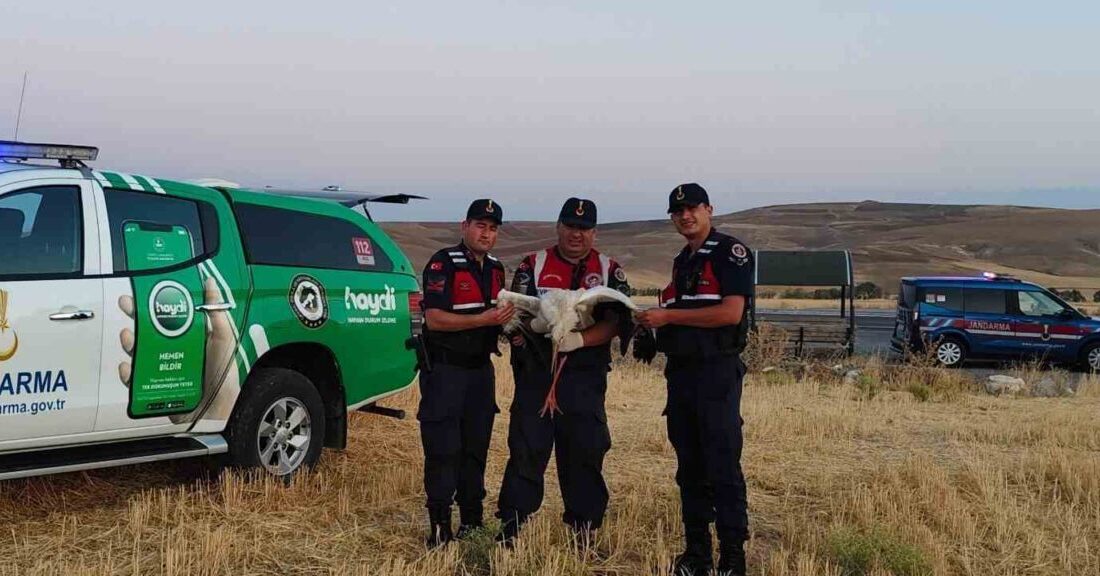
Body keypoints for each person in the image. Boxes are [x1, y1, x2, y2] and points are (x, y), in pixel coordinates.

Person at [496, 197, 637, 545]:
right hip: (537, 373)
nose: (577, 234)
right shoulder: (534, 264)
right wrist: (529, 332)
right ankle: (512, 525)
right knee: (527, 448)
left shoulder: (609, 270)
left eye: (585, 228)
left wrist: (582, 340)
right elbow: (519, 313)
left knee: (585, 451)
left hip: (584, 377)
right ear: (558, 226)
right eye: (571, 227)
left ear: (594, 232)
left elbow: (618, 321)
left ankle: (584, 528)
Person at [636, 183, 752, 576]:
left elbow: (730, 313)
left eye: (693, 208)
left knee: (722, 465)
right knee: (689, 467)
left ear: (709, 209)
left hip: (716, 373)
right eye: (678, 211)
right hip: (682, 374)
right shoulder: (682, 261)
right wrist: (654, 330)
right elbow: (680, 310)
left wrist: (668, 318)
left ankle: (733, 558)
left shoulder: (729, 253)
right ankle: (697, 553)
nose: (686, 215)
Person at [418, 199, 515, 548]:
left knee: (476, 447)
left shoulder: (497, 269)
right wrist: (483, 320)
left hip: (480, 372)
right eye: (480, 225)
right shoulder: (443, 262)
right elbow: (435, 319)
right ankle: (440, 525)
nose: (486, 233)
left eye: (492, 228)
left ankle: (471, 520)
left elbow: (500, 317)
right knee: (443, 448)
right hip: (445, 370)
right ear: (465, 226)